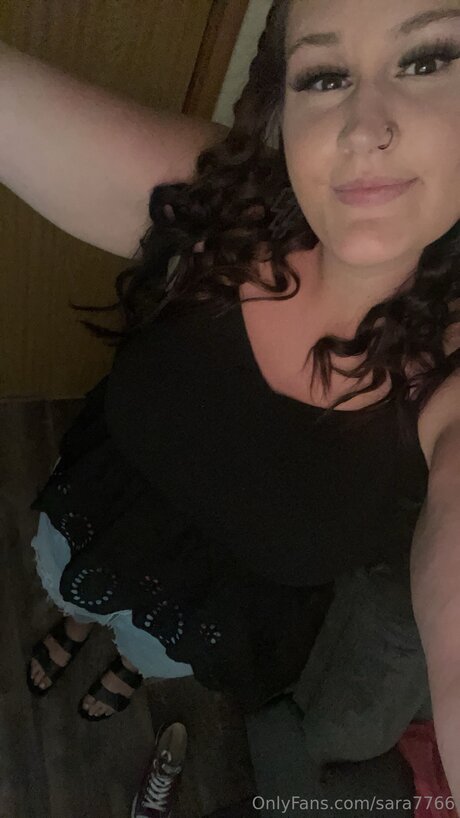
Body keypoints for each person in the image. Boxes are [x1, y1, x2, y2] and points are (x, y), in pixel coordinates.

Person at [1, 0, 459, 811]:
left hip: (218, 603)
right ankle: (77, 627)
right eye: (325, 75)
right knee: (79, 593)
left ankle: (127, 663)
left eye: (426, 61)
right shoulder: (219, 208)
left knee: (148, 648)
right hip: (108, 520)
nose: (364, 128)